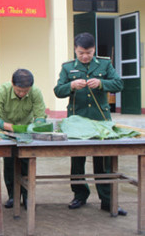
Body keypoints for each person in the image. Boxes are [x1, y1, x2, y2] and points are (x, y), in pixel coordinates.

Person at [54, 32, 127, 216]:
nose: (85, 56)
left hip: (100, 121)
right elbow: (58, 91)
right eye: (81, 53)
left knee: (103, 162)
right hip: (76, 122)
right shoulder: (68, 67)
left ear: (94, 50)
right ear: (75, 51)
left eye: (88, 52)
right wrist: (71, 86)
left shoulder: (104, 64)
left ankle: (107, 200)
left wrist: (102, 83)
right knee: (77, 161)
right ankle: (80, 195)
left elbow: (118, 84)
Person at [0, 69, 47, 209]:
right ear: (12, 84)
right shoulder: (2, 91)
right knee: (9, 164)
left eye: (26, 91)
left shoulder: (35, 92)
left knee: (26, 164)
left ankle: (27, 197)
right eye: (19, 90)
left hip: (26, 132)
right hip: (7, 132)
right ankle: (13, 197)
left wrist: (38, 125)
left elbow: (40, 115)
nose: (22, 93)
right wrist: (10, 127)